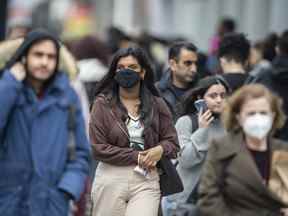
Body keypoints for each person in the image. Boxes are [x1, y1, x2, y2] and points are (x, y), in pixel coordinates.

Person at [0, 29, 91, 216]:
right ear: (24, 56)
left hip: (51, 203)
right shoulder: (8, 88)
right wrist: (9, 83)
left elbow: (81, 153)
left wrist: (67, 189)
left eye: (51, 57)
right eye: (38, 55)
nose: (44, 62)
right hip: (9, 200)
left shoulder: (67, 96)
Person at [89, 46, 180, 216]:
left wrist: (160, 150)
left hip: (146, 179)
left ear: (143, 73)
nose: (126, 71)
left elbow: (172, 142)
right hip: (110, 177)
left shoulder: (157, 104)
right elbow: (98, 148)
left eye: (132, 68)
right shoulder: (102, 104)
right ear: (114, 73)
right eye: (121, 68)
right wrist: (137, 156)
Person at [198, 84, 288, 216]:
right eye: (251, 113)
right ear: (239, 117)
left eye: (263, 113)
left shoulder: (283, 150)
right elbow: (209, 199)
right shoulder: (221, 148)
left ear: (273, 116)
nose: (258, 118)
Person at [162, 76, 230, 216]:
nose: (219, 100)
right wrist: (202, 130)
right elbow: (186, 160)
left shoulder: (228, 126)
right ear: (200, 98)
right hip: (183, 203)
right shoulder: (186, 122)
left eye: (223, 96)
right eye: (213, 96)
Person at [156, 42, 199, 119]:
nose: (194, 69)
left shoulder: (202, 92)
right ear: (173, 64)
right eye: (188, 63)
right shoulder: (155, 92)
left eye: (195, 63)